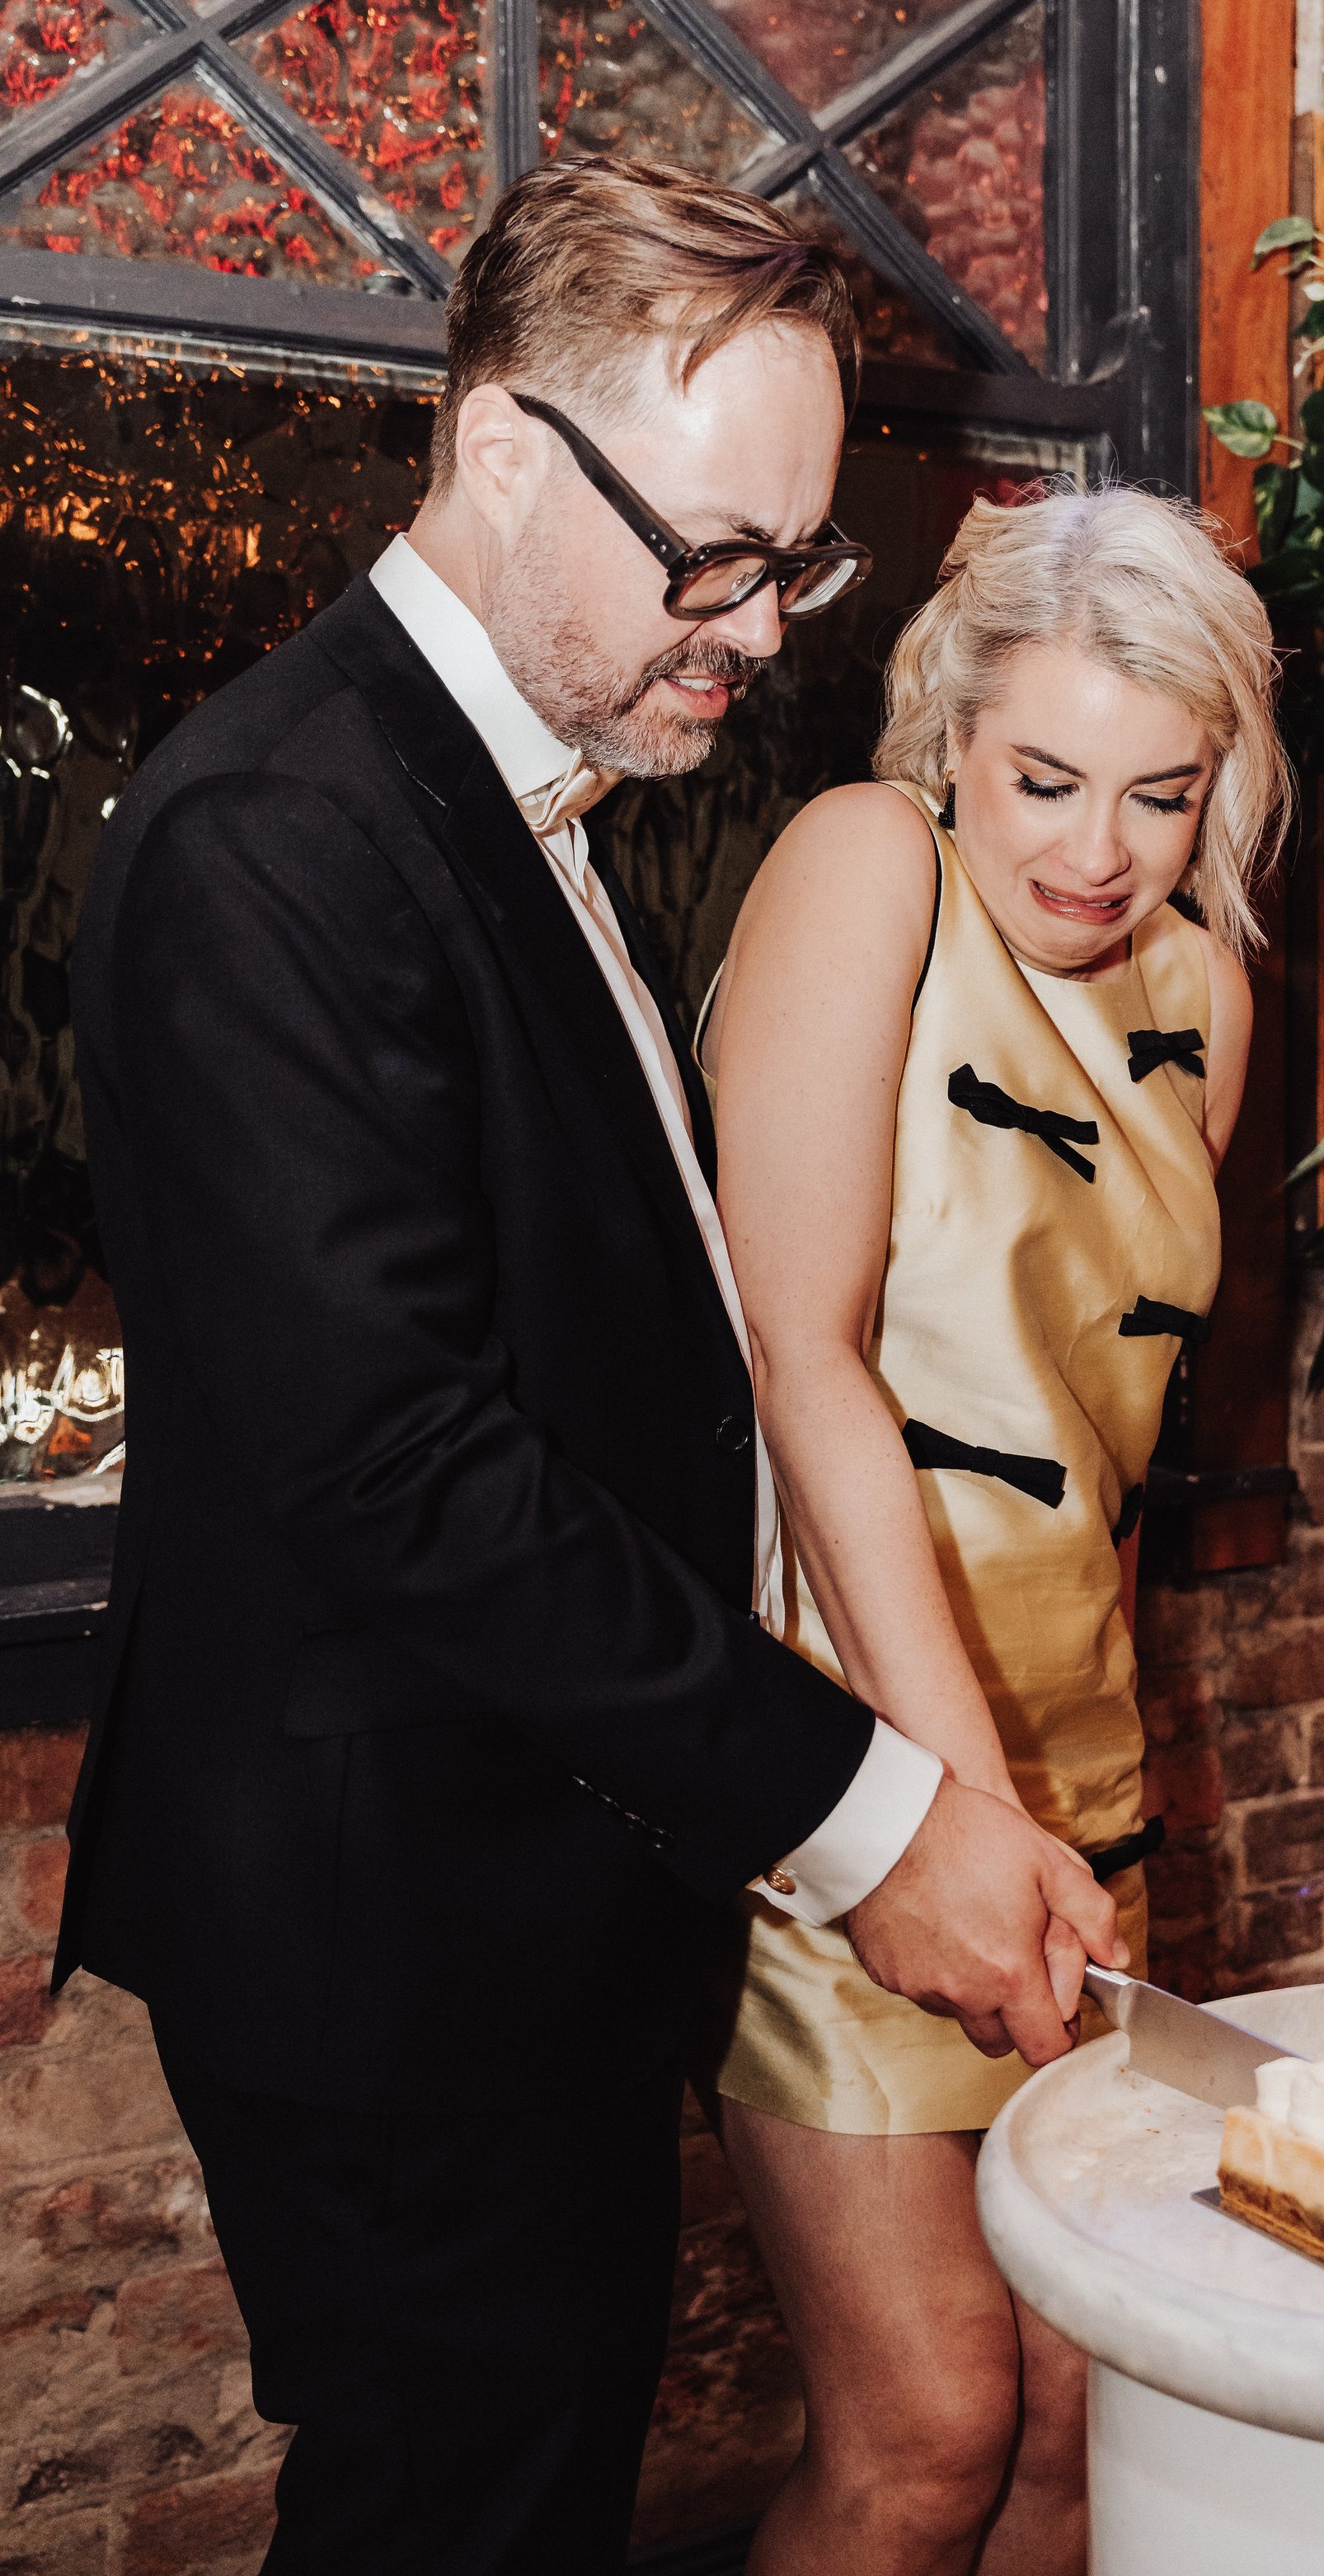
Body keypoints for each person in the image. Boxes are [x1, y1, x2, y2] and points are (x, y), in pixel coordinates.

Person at [57, 161, 1117, 2575]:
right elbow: (400, 1466)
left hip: (521, 1887)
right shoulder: (275, 829)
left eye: (793, 565)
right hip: (391, 1926)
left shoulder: (512, 790)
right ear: (500, 450)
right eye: (713, 556)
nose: (752, 630)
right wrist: (863, 1817)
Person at [699, 484, 1292, 2576]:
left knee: (1076, 2430)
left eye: (1159, 793)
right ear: (949, 728)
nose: (1094, 851)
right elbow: (802, 1363)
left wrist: (1076, 1816)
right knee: (929, 2429)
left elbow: (1101, 1447)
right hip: (851, 1772)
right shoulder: (865, 867)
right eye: (1043, 777)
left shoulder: (1204, 996)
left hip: (1081, 1784)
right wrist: (947, 1815)